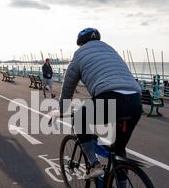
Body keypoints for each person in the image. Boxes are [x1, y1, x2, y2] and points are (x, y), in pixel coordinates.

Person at [58, 28, 142, 179]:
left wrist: (62, 108)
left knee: (79, 120)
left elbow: (68, 86)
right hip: (135, 100)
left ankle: (95, 165)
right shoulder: (110, 50)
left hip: (110, 98)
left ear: (80, 43)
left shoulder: (79, 55)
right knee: (119, 150)